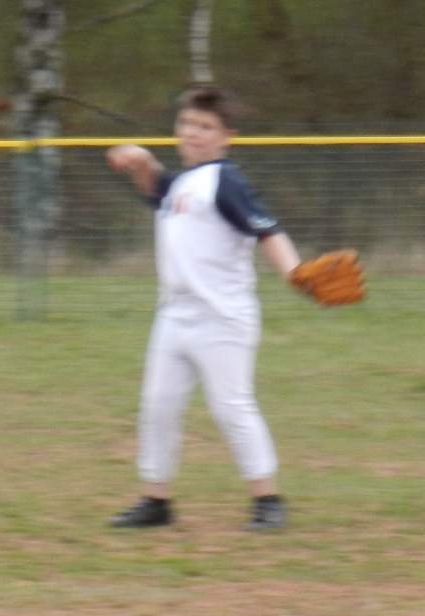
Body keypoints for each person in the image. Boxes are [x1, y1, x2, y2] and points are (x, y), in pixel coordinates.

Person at [104, 85, 314, 532]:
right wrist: (140, 161)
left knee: (231, 407)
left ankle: (268, 500)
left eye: (206, 127)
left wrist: (294, 272)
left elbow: (267, 229)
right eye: (187, 124)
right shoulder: (183, 182)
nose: (194, 133)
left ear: (226, 137)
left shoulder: (225, 180)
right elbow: (155, 189)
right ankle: (156, 501)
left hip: (222, 317)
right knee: (158, 406)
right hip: (174, 315)